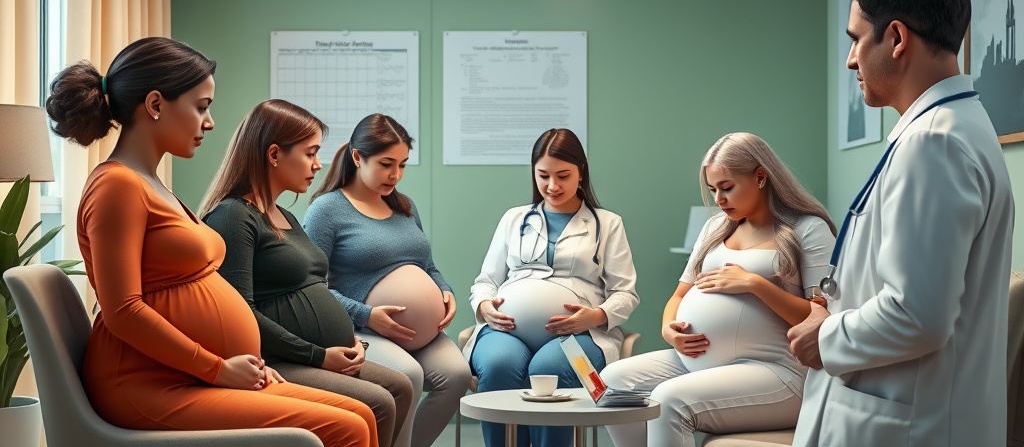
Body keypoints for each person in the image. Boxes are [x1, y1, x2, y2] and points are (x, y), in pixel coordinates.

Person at [45, 37, 377, 446]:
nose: (210, 122)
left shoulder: (151, 184)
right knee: (346, 428)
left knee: (360, 414)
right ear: (155, 105)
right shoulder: (116, 186)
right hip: (145, 382)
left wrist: (236, 362)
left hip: (189, 372)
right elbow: (123, 311)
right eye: (201, 106)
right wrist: (217, 368)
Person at [788, 0, 1014, 446]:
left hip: (911, 428)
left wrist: (824, 337)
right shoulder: (949, 130)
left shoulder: (935, 143)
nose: (850, 59)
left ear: (895, 38)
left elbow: (917, 315)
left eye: (854, 40)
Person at [200, 99, 415, 447]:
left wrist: (351, 342)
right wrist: (318, 356)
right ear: (274, 154)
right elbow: (238, 314)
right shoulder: (234, 216)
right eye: (310, 153)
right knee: (377, 401)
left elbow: (314, 291)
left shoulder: (285, 215)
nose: (318, 164)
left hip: (320, 354)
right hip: (279, 360)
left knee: (400, 387)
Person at [600, 132, 836, 447]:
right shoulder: (715, 228)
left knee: (670, 400)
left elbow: (824, 319)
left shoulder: (808, 229)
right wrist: (670, 331)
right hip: (699, 362)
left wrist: (755, 284)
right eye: (713, 190)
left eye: (727, 188)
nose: (718, 199)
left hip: (777, 372)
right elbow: (680, 295)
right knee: (613, 384)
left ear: (761, 176)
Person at [304, 113, 472, 447]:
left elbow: (427, 264)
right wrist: (367, 316)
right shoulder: (327, 211)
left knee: (458, 376)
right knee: (408, 377)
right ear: (357, 157)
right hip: (361, 330)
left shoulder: (404, 207)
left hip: (421, 334)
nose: (395, 174)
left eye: (403, 164)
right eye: (385, 164)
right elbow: (312, 289)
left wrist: (444, 290)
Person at [465, 128, 640, 447]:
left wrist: (596, 316)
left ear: (581, 173)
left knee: (549, 369)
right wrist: (485, 307)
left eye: (563, 175)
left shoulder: (607, 223)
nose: (552, 185)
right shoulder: (514, 218)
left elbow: (626, 294)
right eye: (543, 175)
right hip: (507, 331)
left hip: (578, 335)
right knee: (498, 366)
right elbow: (485, 281)